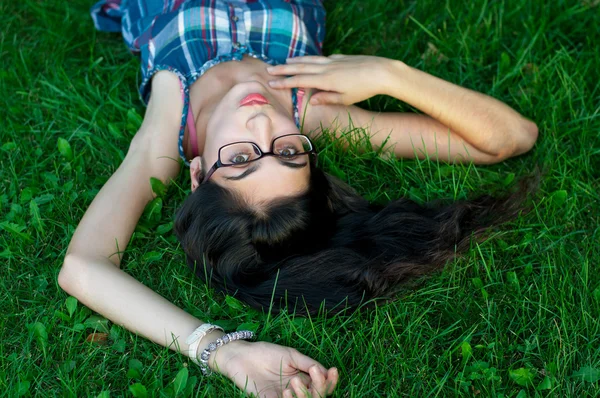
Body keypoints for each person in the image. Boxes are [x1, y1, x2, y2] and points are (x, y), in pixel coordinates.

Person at [58, 0, 538, 397]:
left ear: (199, 171)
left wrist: (222, 349)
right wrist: (392, 75)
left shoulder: (166, 131)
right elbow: (511, 137)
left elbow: (83, 266)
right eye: (288, 152)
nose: (263, 123)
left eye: (242, 157)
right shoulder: (311, 109)